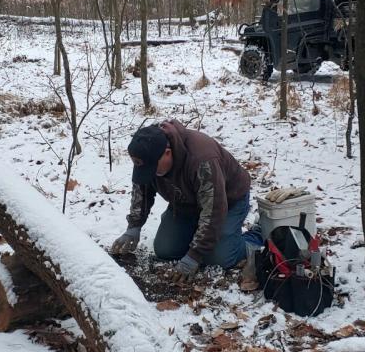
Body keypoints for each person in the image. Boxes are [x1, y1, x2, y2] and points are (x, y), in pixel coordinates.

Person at [110, 120, 262, 282]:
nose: (150, 173)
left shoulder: (202, 160)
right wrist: (134, 227)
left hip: (228, 201)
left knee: (220, 258)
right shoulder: (148, 155)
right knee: (165, 250)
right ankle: (200, 236)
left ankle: (257, 234)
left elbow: (214, 210)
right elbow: (142, 190)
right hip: (186, 204)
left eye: (153, 169)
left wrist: (194, 255)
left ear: (167, 153)